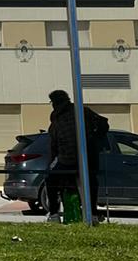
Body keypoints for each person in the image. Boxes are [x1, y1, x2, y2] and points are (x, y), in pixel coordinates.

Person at [45, 90, 109, 221]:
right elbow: (103, 123)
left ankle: (54, 213)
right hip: (87, 157)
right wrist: (95, 138)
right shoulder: (83, 111)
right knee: (90, 184)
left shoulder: (57, 119)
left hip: (67, 158)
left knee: (51, 181)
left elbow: (54, 143)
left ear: (54, 103)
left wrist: (52, 162)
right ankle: (92, 214)